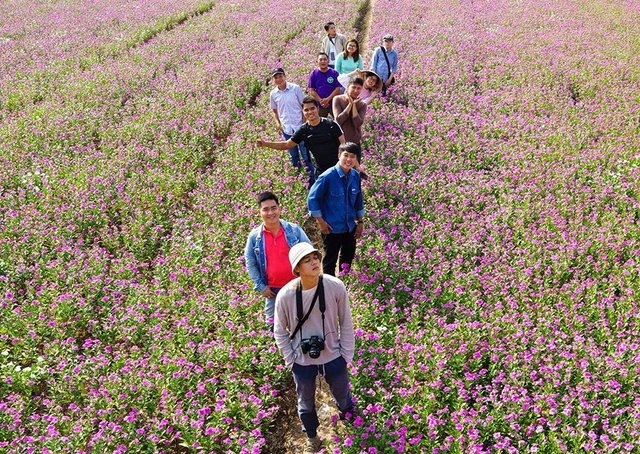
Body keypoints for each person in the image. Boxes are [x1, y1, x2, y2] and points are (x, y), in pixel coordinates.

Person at [274, 242, 355, 453]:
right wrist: (290, 359)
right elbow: (279, 331)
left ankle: (354, 431)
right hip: (302, 361)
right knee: (305, 402)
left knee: (343, 395)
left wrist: (346, 355)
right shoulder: (286, 295)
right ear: (297, 268)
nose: (314, 262)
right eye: (307, 260)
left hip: (333, 355)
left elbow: (346, 322)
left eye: (315, 257)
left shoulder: (335, 286)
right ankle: (312, 437)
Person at [245, 191, 311, 325]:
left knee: (303, 323)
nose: (270, 213)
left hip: (298, 286)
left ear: (280, 209)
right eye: (265, 209)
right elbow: (250, 263)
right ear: (259, 212)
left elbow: (309, 253)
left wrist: (308, 280)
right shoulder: (254, 237)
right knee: (272, 326)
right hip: (273, 291)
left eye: (273, 208)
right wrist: (261, 287)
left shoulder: (294, 230)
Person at [307, 143, 364, 276]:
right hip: (331, 228)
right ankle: (329, 286)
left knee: (347, 259)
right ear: (339, 156)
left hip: (350, 226)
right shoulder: (327, 176)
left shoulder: (355, 176)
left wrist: (360, 222)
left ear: (356, 159)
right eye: (346, 155)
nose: (349, 159)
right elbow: (312, 199)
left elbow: (358, 199)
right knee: (330, 261)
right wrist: (321, 222)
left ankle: (345, 284)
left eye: (352, 156)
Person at [256, 96, 345, 177]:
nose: (310, 112)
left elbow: (344, 146)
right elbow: (287, 145)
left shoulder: (331, 125)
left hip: (338, 169)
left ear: (317, 108)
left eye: (312, 108)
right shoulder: (304, 130)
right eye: (306, 110)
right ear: (302, 112)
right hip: (321, 172)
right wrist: (265, 144)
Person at [268, 68, 315, 183]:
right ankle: (298, 180)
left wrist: (304, 121)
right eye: (276, 77)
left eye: (280, 76)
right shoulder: (273, 94)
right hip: (287, 128)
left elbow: (304, 105)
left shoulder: (295, 88)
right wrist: (277, 123)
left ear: (284, 76)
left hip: (300, 126)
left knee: (306, 155)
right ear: (273, 79)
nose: (278, 79)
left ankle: (311, 180)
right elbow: (274, 110)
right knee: (293, 156)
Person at [332, 77, 367, 147]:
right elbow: (338, 120)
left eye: (359, 88)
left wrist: (353, 105)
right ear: (348, 87)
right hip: (339, 140)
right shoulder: (337, 99)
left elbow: (358, 123)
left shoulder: (363, 104)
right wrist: (350, 104)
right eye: (353, 87)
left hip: (354, 141)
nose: (356, 90)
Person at [307, 53, 343, 118]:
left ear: (328, 61)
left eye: (325, 59)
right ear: (317, 62)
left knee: (338, 120)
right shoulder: (314, 74)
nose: (323, 61)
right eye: (320, 60)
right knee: (320, 122)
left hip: (334, 103)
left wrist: (328, 99)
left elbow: (338, 89)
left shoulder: (334, 73)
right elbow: (311, 90)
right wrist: (321, 101)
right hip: (320, 105)